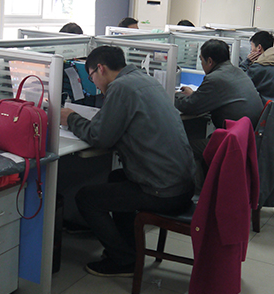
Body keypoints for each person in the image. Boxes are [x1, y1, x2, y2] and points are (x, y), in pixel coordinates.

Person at [60, 46, 195, 277]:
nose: (94, 84)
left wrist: (71, 118)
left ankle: (123, 260)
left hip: (163, 190)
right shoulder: (144, 80)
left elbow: (100, 137)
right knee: (116, 177)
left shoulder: (121, 88)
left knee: (86, 198)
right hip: (182, 183)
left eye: (91, 77)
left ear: (100, 69)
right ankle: (130, 250)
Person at [174, 39, 263, 186]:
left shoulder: (215, 78)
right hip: (246, 138)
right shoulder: (237, 71)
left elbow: (189, 106)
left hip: (231, 142)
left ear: (210, 61)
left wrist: (174, 95)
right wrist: (194, 95)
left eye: (201, 60)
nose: (201, 64)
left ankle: (198, 190)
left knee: (183, 146)